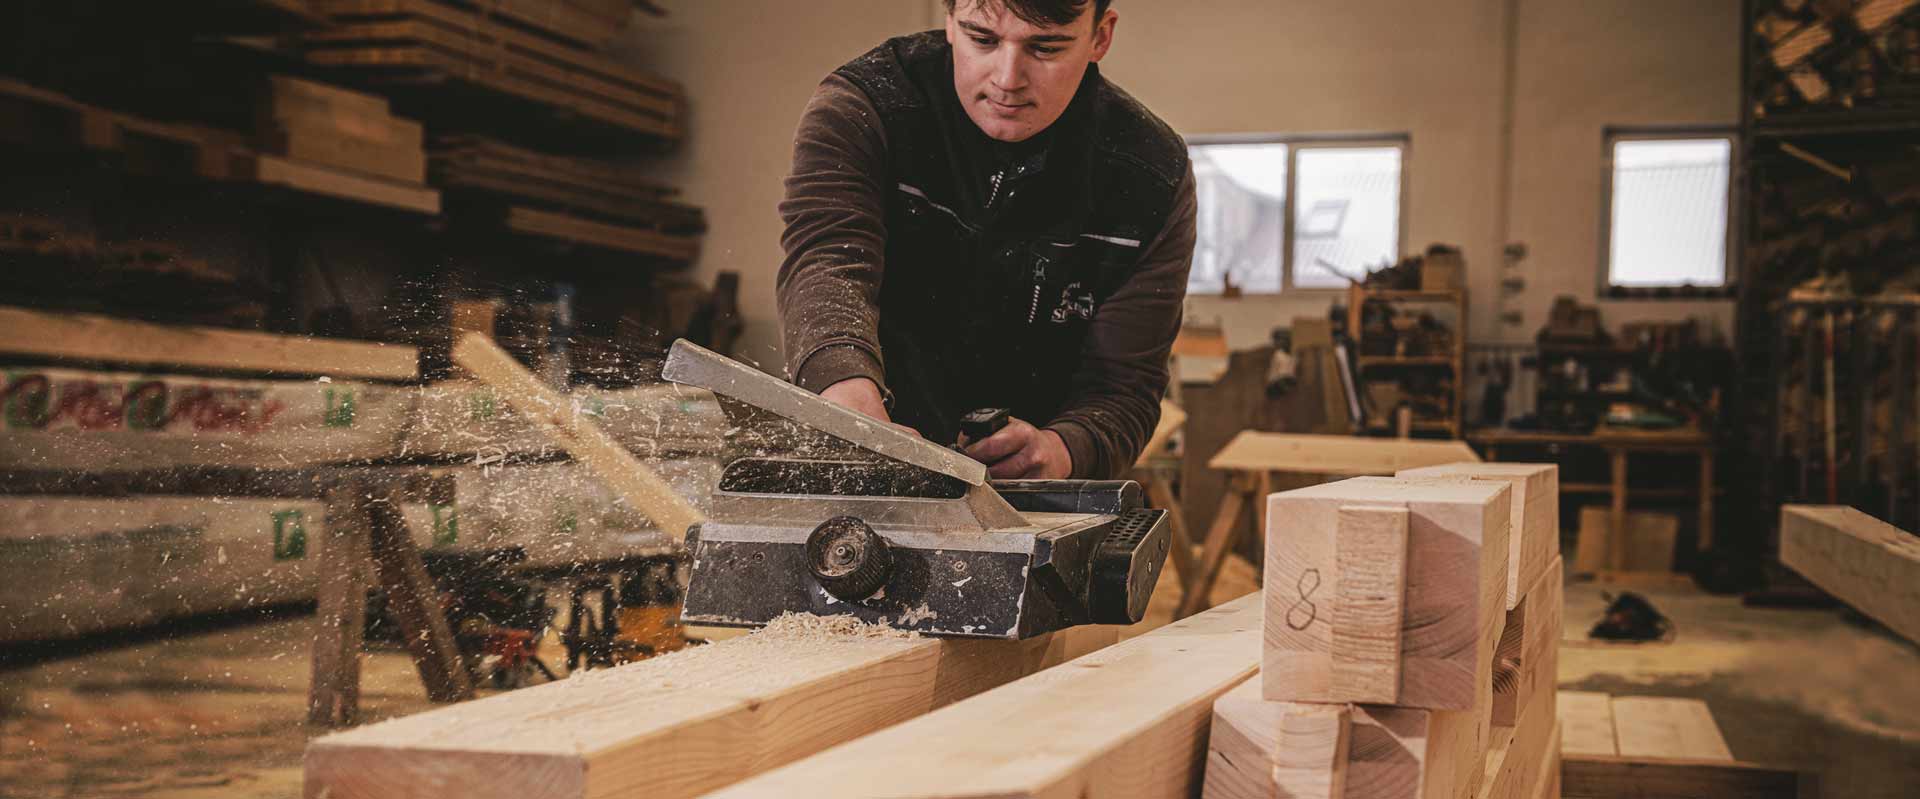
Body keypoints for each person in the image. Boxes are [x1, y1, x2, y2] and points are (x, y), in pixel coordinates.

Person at [777, 0, 1195, 480]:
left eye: (1045, 47)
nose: (1007, 78)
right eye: (983, 39)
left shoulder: (1152, 177)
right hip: (864, 440)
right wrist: (850, 406)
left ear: (1101, 36)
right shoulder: (868, 107)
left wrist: (1059, 451)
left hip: (1031, 500)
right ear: (950, 20)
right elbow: (827, 266)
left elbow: (1124, 387)